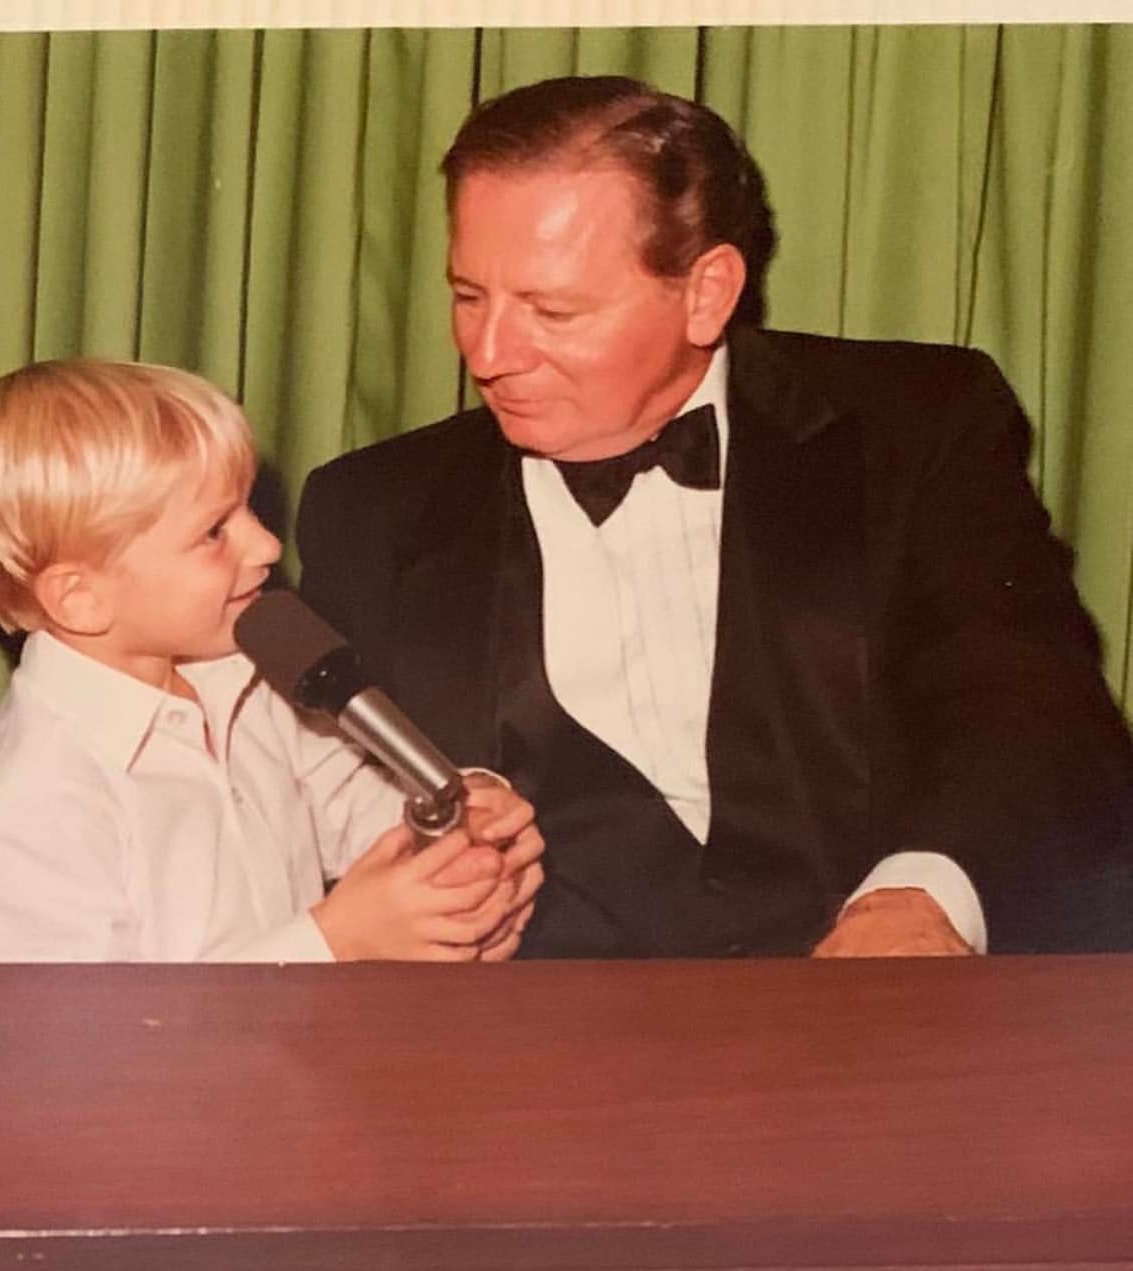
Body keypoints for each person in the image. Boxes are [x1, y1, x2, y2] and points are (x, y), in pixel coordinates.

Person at [296, 75, 1133, 959]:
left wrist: (925, 895)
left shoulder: (915, 425)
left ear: (707, 291)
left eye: (551, 310)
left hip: (873, 1003)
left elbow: (1034, 710)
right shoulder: (371, 509)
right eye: (469, 297)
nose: (488, 353)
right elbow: (307, 798)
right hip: (526, 1027)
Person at [0, 359, 542, 963]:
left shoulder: (245, 676)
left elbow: (353, 800)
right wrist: (336, 940)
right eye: (214, 532)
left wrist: (453, 826)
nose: (266, 545)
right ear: (81, 598)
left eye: (250, 510)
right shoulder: (31, 812)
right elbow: (103, 1031)